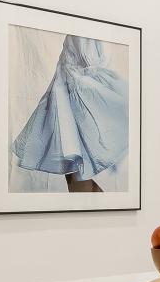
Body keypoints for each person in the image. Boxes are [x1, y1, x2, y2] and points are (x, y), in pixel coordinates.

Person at [12, 33, 128, 192]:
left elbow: (90, 60)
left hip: (73, 97)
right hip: (67, 96)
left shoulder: (82, 33)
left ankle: (95, 213)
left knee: (77, 173)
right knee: (76, 172)